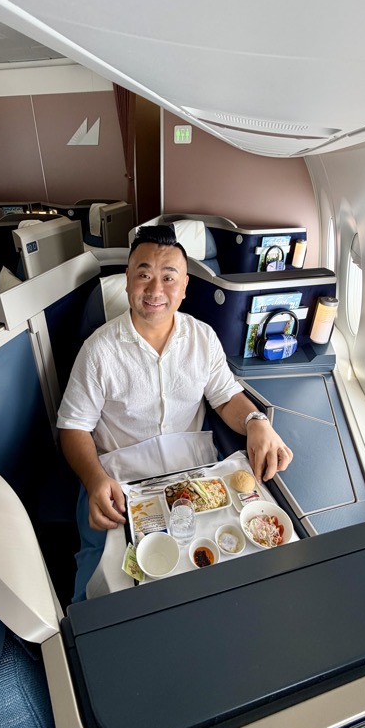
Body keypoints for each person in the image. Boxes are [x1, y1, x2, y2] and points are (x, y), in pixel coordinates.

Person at [57, 225, 293, 601]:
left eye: (168, 278)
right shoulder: (98, 350)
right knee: (104, 591)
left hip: (193, 475)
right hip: (121, 480)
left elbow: (225, 397)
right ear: (127, 281)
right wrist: (94, 479)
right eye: (144, 274)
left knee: (229, 571)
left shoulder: (203, 338)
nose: (155, 290)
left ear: (184, 287)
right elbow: (72, 428)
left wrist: (256, 422)